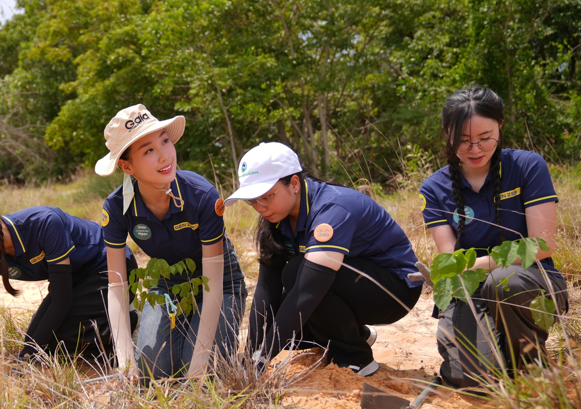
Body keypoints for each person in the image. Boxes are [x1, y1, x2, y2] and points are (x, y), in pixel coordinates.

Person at [226, 142, 423, 376]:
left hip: (395, 291)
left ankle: (355, 358)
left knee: (296, 274)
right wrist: (251, 354)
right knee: (279, 321)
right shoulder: (277, 218)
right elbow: (266, 289)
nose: (259, 207)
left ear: (294, 183)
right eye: (252, 200)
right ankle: (356, 335)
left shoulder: (333, 208)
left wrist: (262, 358)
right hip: (351, 286)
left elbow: (308, 291)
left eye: (266, 196)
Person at [419, 87, 569, 388]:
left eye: (485, 138)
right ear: (447, 133)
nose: (475, 149)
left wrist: (479, 265)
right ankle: (494, 355)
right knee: (469, 379)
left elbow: (542, 245)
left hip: (529, 283)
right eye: (463, 140)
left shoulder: (527, 166)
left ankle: (529, 365)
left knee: (503, 281)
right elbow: (448, 256)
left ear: (500, 126)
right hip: (469, 288)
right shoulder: (434, 188)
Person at [96, 104, 247, 379]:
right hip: (167, 285)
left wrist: (198, 368)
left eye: (165, 141)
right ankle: (182, 335)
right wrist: (125, 362)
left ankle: (202, 344)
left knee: (202, 373)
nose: (165, 155)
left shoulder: (201, 195)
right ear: (127, 166)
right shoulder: (117, 207)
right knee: (152, 373)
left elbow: (213, 285)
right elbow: (117, 286)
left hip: (220, 285)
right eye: (148, 151)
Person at [0, 191, 137, 363]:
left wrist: (27, 357)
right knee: (38, 338)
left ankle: (129, 321)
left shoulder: (45, 223)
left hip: (109, 267)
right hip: (74, 282)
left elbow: (61, 300)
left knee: (54, 339)